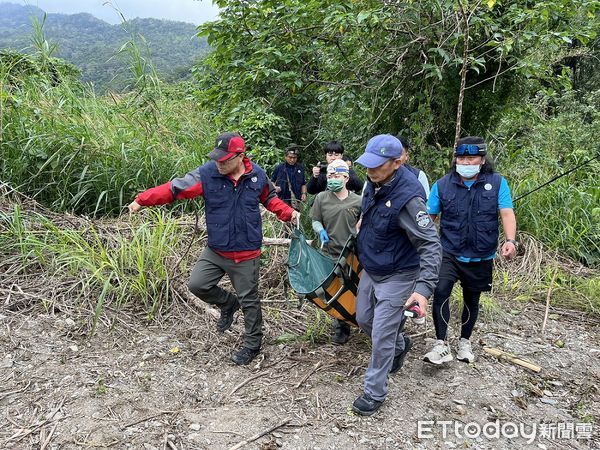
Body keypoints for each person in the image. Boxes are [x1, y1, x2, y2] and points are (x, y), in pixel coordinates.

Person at [128, 132, 300, 366]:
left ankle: (252, 343)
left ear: (240, 157)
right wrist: (142, 199)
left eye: (224, 159)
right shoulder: (207, 174)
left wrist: (290, 214)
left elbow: (270, 199)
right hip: (217, 249)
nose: (219, 163)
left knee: (249, 300)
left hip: (246, 251)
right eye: (216, 158)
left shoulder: (257, 176)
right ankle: (228, 303)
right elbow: (174, 189)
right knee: (197, 284)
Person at [352, 134, 442, 416]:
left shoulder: (409, 198)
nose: (371, 170)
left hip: (399, 273)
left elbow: (430, 244)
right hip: (373, 267)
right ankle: (400, 345)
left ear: (397, 161)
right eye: (368, 165)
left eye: (378, 165)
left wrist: (423, 289)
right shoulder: (373, 182)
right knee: (363, 318)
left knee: (381, 334)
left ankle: (374, 391)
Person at [423, 136, 517, 365]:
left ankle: (465, 341)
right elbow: (428, 218)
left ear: (482, 160)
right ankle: (440, 344)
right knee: (441, 291)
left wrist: (511, 241)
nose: (465, 163)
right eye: (461, 158)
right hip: (449, 251)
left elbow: (506, 212)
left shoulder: (497, 183)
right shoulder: (442, 185)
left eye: (471, 158)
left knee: (471, 299)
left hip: (481, 253)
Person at [310, 159, 362, 345]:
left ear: (346, 178)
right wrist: (320, 230)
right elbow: (315, 220)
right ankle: (341, 326)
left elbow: (363, 223)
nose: (332, 179)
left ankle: (361, 319)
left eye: (336, 175)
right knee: (335, 290)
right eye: (330, 175)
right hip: (330, 253)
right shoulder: (321, 198)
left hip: (352, 254)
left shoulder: (358, 201)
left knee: (355, 289)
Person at [271, 144, 307, 209]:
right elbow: (272, 181)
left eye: (294, 158)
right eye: (290, 157)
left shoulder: (300, 168)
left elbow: (303, 183)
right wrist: (275, 188)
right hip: (282, 199)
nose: (292, 160)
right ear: (285, 157)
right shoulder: (279, 168)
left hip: (296, 200)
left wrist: (304, 194)